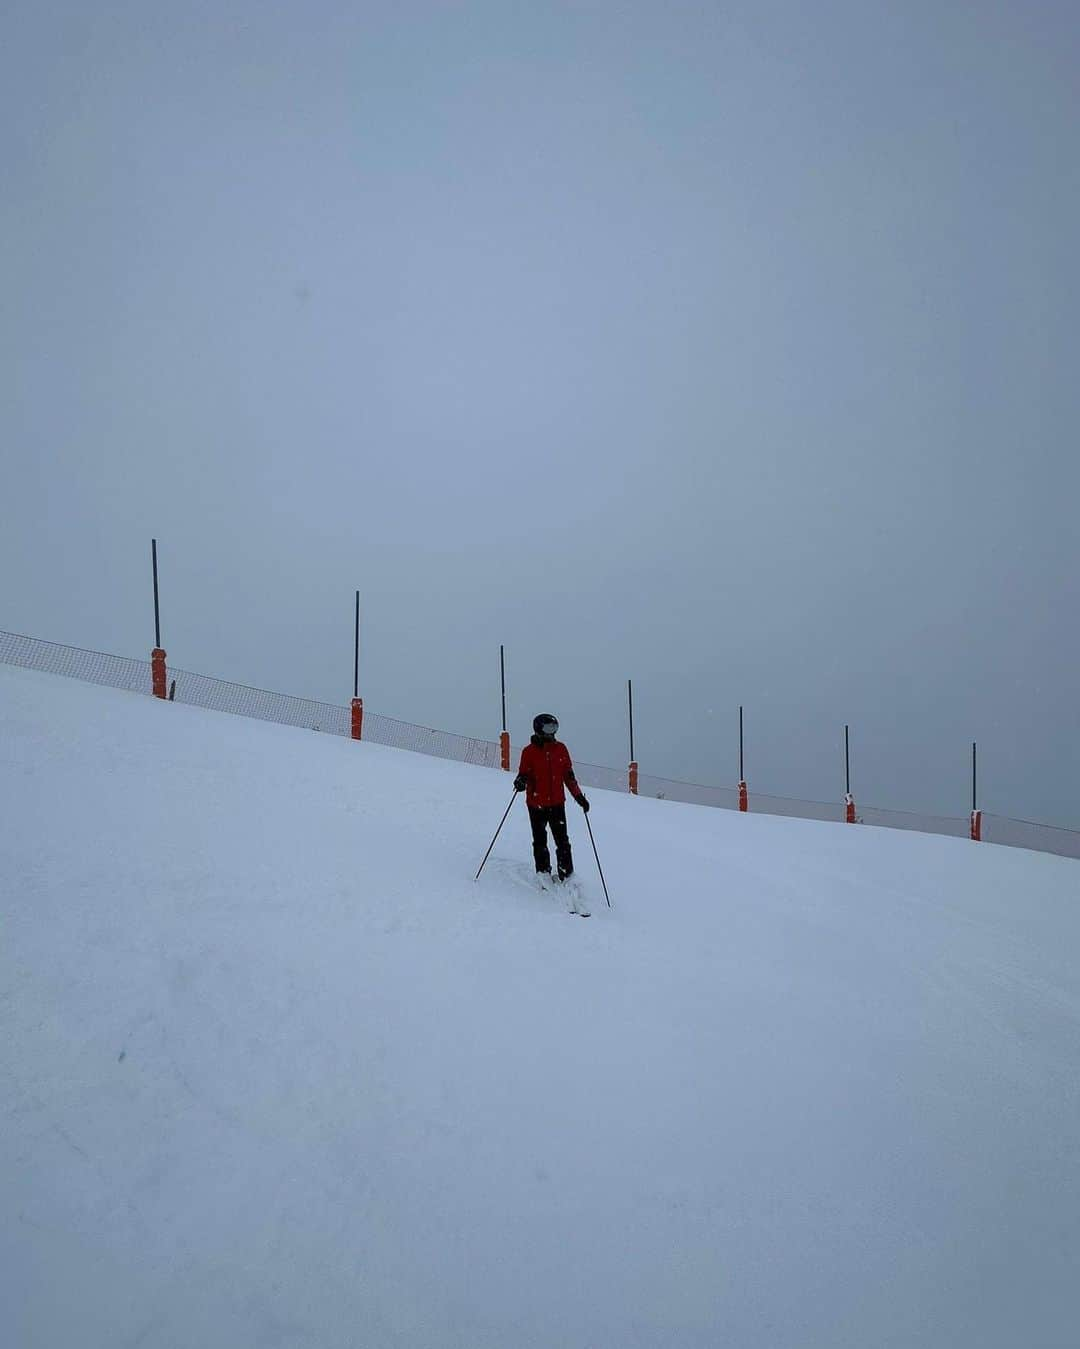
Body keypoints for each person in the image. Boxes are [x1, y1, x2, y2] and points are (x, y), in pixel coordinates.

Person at [513, 714, 590, 881]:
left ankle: (566, 873)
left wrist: (579, 797)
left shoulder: (561, 749)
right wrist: (521, 781)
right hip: (536, 804)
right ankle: (543, 872)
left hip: (556, 804)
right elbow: (523, 773)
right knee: (540, 840)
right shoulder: (529, 752)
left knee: (562, 841)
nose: (552, 733)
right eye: (548, 728)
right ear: (539, 729)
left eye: (554, 728)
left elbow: (568, 777)